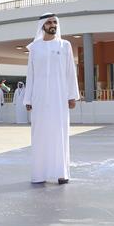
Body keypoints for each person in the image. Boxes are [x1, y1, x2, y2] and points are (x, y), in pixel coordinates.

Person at [24, 13, 79, 184]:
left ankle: (61, 173)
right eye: (49, 22)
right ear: (42, 26)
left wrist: (72, 96)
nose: (52, 24)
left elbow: (70, 72)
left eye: (55, 22)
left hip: (59, 96)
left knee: (59, 132)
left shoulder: (65, 45)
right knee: (40, 134)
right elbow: (30, 74)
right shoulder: (34, 48)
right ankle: (39, 174)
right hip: (39, 97)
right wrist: (28, 98)